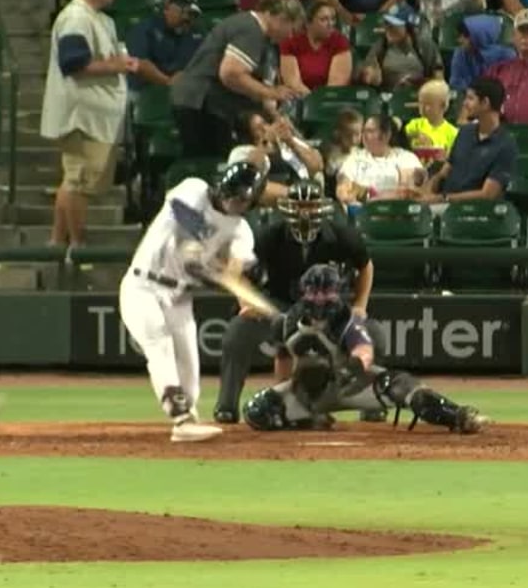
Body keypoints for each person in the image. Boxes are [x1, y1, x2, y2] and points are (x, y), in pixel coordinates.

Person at [243, 263, 488, 432]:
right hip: (309, 392)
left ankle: (458, 416)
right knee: (257, 410)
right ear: (304, 292)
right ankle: (310, 419)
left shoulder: (346, 320)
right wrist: (286, 392)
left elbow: (364, 352)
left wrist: (349, 368)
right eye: (314, 291)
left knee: (401, 385)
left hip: (350, 384)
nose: (320, 298)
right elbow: (283, 362)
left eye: (326, 291)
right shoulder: (286, 322)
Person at [119, 162, 263, 443]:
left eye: (242, 198)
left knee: (188, 367)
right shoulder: (193, 188)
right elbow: (183, 221)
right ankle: (180, 418)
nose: (233, 201)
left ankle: (187, 418)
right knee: (158, 343)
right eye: (231, 194)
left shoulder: (241, 230)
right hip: (142, 286)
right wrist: (203, 260)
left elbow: (234, 268)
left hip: (180, 297)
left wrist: (225, 276)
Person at [213, 182, 372, 423]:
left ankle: (364, 405)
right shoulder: (271, 233)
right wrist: (246, 301)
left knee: (371, 336)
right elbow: (235, 269)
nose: (304, 212)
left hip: (325, 309)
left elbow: (366, 266)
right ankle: (226, 405)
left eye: (310, 205)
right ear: (288, 208)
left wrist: (360, 304)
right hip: (278, 305)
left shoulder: (341, 234)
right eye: (299, 206)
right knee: (237, 334)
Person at [39, 0, 134, 249]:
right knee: (77, 182)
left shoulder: (99, 19)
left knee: (74, 180)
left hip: (95, 119)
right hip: (82, 118)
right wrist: (116, 66)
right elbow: (73, 61)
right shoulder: (76, 17)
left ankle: (57, 242)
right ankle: (77, 245)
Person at [170, 0, 305, 159]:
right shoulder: (251, 29)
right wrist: (271, 92)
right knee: (207, 166)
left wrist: (278, 118)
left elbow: (258, 90)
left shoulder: (262, 40)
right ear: (281, 18)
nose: (289, 36)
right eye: (291, 29)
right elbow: (230, 73)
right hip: (201, 102)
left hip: (200, 101)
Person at [423, 76, 517, 203]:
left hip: (474, 211)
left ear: (485, 103)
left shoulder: (505, 145)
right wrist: (427, 192)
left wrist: (444, 199)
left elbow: (488, 194)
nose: (464, 103)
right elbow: (444, 172)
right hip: (444, 204)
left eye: (470, 98)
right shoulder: (465, 132)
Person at [225, 110, 322, 199]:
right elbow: (245, 176)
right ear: (248, 135)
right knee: (258, 186)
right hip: (272, 197)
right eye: (258, 128)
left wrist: (291, 142)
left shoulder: (287, 142)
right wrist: (265, 143)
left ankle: (301, 194)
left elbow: (316, 167)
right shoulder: (242, 151)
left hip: (304, 189)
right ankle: (297, 194)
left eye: (265, 124)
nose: (265, 129)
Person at [337, 112, 425, 208]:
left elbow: (410, 192)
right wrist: (346, 193)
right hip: (363, 215)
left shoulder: (406, 158)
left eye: (370, 131)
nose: (364, 136)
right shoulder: (354, 158)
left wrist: (373, 196)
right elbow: (343, 188)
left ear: (386, 135)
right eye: (363, 131)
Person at [125, 0, 204, 91]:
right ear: (166, 8)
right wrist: (168, 81)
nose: (186, 17)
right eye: (182, 11)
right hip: (145, 93)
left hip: (184, 94)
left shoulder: (196, 32)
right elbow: (140, 63)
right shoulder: (146, 29)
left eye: (190, 12)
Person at [357, 3, 442, 90]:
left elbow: (439, 79)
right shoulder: (380, 46)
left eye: (394, 25)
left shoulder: (425, 46)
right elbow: (367, 72)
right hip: (388, 97)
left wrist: (419, 82)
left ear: (409, 28)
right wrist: (369, 78)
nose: (388, 28)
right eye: (386, 23)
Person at [280, 0, 352, 97]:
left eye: (333, 19)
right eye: (324, 19)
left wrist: (318, 101)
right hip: (299, 98)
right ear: (309, 23)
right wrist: (311, 101)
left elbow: (337, 84)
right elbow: (293, 83)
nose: (330, 24)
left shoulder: (340, 42)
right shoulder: (291, 43)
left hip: (331, 98)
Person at [447, 14, 514, 96]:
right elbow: (456, 84)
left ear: (479, 36)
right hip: (469, 100)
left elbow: (505, 87)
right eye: (460, 35)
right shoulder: (460, 54)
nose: (459, 40)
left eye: (465, 36)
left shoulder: (507, 56)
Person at [404, 79, 459, 172]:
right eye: (420, 103)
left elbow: (454, 159)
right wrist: (415, 135)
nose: (423, 108)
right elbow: (401, 138)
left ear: (443, 106)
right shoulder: (415, 124)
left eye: (428, 104)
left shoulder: (453, 132)